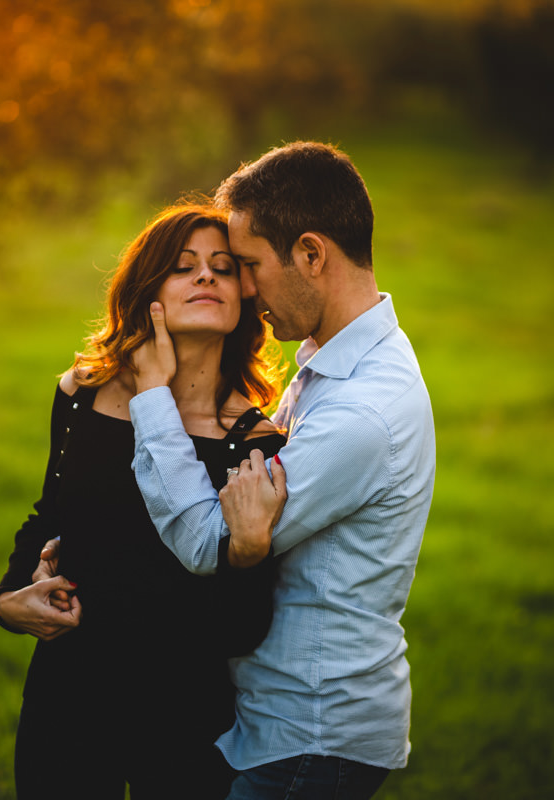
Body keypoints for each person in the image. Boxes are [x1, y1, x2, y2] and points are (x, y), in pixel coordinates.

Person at [129, 142, 437, 799]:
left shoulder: (361, 411)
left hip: (312, 733)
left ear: (311, 254)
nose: (242, 289)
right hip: (286, 726)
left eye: (248, 265)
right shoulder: (337, 362)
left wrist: (152, 396)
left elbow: (207, 541)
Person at [0, 204, 287, 799]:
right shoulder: (83, 393)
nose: (206, 276)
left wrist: (247, 556)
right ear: (148, 289)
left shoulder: (255, 443)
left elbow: (243, 626)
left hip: (185, 717)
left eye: (223, 267)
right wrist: (7, 600)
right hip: (67, 695)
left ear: (242, 297)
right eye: (183, 266)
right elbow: (50, 515)